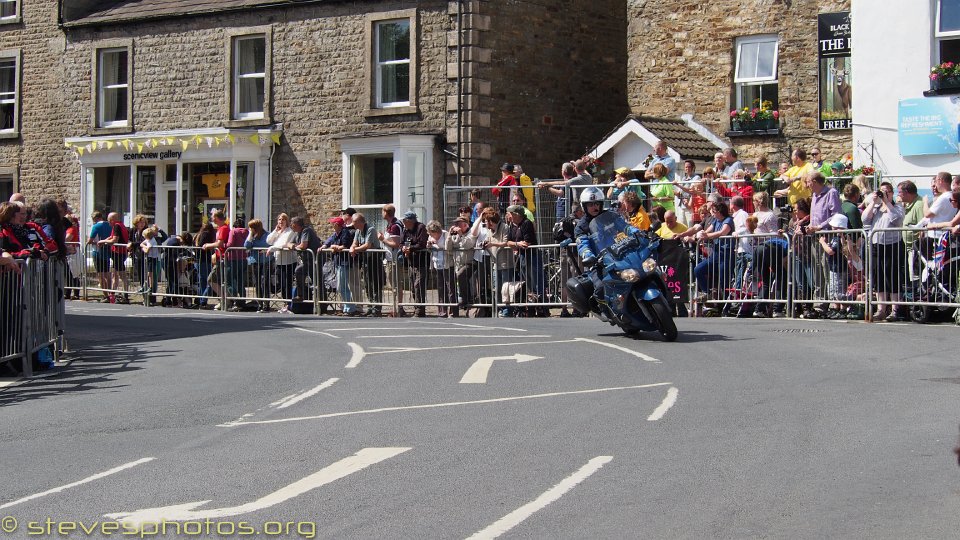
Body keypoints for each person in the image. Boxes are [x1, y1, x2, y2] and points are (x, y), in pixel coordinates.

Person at [862, 182, 906, 321]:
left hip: (892, 244)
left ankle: (895, 309)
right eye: (881, 191)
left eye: (887, 191)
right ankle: (881, 309)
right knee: (879, 277)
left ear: (892, 193)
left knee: (892, 277)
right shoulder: (876, 207)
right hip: (876, 244)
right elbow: (864, 219)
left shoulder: (897, 206)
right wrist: (873, 202)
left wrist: (887, 201)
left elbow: (897, 220)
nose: (883, 194)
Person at [505, 204, 546, 316]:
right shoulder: (512, 225)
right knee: (526, 282)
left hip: (531, 256)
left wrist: (516, 245)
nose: (509, 216)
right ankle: (531, 307)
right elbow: (508, 242)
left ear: (517, 214)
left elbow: (527, 243)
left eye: (511, 213)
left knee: (535, 282)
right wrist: (517, 244)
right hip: (521, 257)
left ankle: (541, 307)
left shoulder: (526, 223)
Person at [350, 212, 385, 317]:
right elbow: (355, 243)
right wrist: (352, 247)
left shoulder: (371, 229)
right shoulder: (357, 231)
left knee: (375, 284)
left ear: (361, 222)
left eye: (355, 222)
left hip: (374, 259)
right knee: (367, 283)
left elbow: (367, 245)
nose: (353, 224)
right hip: (365, 259)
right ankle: (370, 307)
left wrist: (354, 249)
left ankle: (376, 308)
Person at [323, 216, 357, 315]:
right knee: (340, 286)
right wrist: (325, 246)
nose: (331, 225)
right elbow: (330, 240)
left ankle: (350, 308)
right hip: (338, 261)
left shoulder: (345, 232)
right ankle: (347, 307)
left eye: (333, 223)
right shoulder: (336, 233)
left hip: (344, 262)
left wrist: (335, 247)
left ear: (337, 225)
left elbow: (345, 245)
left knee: (342, 285)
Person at [399, 210, 429, 317]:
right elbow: (401, 242)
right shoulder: (405, 229)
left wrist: (410, 248)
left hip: (421, 262)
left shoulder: (421, 228)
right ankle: (416, 307)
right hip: (411, 262)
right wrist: (404, 248)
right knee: (413, 286)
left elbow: (422, 244)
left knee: (418, 286)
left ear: (410, 220)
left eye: (405, 220)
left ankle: (420, 310)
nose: (403, 221)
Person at [266, 213, 297, 312]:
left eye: (283, 219)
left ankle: (288, 304)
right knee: (281, 284)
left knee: (286, 284)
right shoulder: (279, 232)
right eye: (279, 219)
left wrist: (272, 248)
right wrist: (276, 231)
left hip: (288, 261)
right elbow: (269, 240)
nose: (281, 221)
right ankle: (285, 304)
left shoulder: (290, 232)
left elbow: (283, 244)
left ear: (287, 221)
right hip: (279, 261)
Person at [426, 220, 456, 317]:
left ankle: (453, 312)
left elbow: (449, 248)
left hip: (447, 265)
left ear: (436, 231)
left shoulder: (446, 235)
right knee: (440, 289)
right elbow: (428, 248)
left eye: (431, 233)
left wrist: (437, 245)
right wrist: (429, 245)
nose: (430, 235)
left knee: (450, 289)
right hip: (437, 265)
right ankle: (442, 311)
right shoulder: (431, 237)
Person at [100, 212, 131, 304]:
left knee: (122, 275)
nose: (108, 222)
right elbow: (112, 236)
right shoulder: (121, 225)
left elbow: (115, 240)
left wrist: (103, 241)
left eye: (109, 220)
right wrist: (105, 240)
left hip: (119, 252)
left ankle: (125, 295)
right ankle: (112, 295)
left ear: (112, 220)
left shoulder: (117, 226)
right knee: (115, 275)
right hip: (119, 252)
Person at [447, 216, 476, 316]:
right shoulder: (455, 235)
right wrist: (449, 235)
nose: (457, 226)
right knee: (453, 279)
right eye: (456, 224)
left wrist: (461, 235)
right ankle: (456, 307)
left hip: (470, 262)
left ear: (465, 224)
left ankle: (466, 299)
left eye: (459, 223)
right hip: (457, 264)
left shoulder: (472, 233)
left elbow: (467, 245)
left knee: (461, 274)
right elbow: (448, 248)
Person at [244, 219, 272, 312]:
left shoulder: (267, 235)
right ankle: (259, 303)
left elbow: (268, 245)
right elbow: (246, 245)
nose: (250, 229)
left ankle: (266, 303)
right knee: (257, 282)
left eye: (251, 228)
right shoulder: (252, 236)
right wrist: (250, 235)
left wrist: (263, 250)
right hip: (255, 261)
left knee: (264, 282)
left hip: (266, 261)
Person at [675, 160, 700, 225]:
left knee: (690, 226)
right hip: (682, 206)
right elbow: (681, 193)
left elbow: (690, 190)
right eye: (686, 167)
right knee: (682, 226)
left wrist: (678, 185)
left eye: (689, 167)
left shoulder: (696, 178)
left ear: (693, 167)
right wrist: (677, 194)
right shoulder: (683, 178)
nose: (687, 168)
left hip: (690, 206)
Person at [138, 227, 161, 296]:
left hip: (152, 258)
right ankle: (145, 286)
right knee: (147, 273)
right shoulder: (147, 240)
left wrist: (143, 249)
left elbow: (147, 251)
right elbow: (141, 244)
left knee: (150, 274)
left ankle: (151, 287)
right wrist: (144, 246)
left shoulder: (152, 241)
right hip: (148, 258)